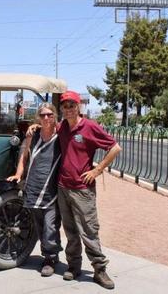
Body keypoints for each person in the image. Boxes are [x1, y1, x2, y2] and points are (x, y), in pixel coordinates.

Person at [56, 91, 121, 289]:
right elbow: (48, 129)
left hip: (83, 190)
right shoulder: (62, 127)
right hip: (63, 187)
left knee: (89, 231)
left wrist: (98, 169)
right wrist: (35, 126)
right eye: (65, 106)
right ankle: (74, 266)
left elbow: (115, 147)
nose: (68, 109)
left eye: (72, 105)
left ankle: (99, 270)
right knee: (70, 231)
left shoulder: (90, 127)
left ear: (79, 107)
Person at [7, 103, 62, 277]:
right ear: (39, 117)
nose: (46, 118)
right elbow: (24, 156)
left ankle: (50, 258)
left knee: (50, 226)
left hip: (52, 190)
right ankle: (51, 253)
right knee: (39, 226)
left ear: (55, 116)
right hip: (34, 187)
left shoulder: (61, 135)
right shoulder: (33, 134)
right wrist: (18, 174)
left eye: (49, 115)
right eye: (43, 115)